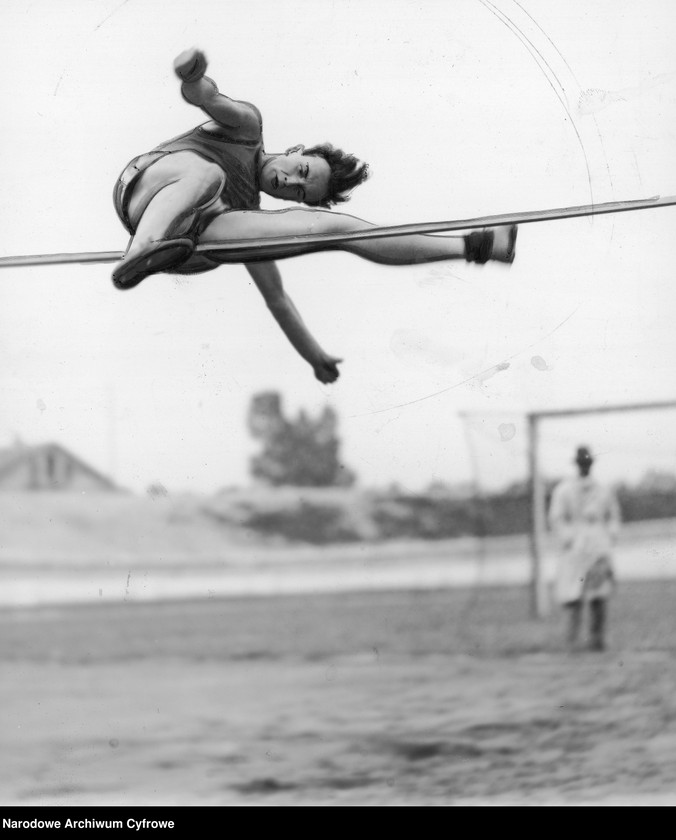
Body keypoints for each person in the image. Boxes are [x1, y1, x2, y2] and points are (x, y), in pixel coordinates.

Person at [112, 47, 518, 384]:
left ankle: (479, 246)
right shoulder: (247, 129)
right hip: (151, 189)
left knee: (336, 230)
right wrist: (193, 77)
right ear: (296, 150)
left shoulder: (247, 212)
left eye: (300, 193)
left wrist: (315, 358)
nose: (290, 183)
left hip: (193, 236)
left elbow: (278, 300)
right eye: (301, 170)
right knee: (209, 175)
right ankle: (144, 248)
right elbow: (208, 97)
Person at [548, 446, 622, 652]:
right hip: (575, 547)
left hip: (598, 545)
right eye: (582, 463)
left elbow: (613, 516)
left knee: (599, 595)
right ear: (576, 464)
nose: (584, 466)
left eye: (587, 462)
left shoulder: (603, 490)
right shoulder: (564, 490)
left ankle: (597, 641)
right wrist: (568, 538)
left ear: (592, 464)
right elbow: (556, 518)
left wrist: (610, 535)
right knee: (572, 595)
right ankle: (571, 642)